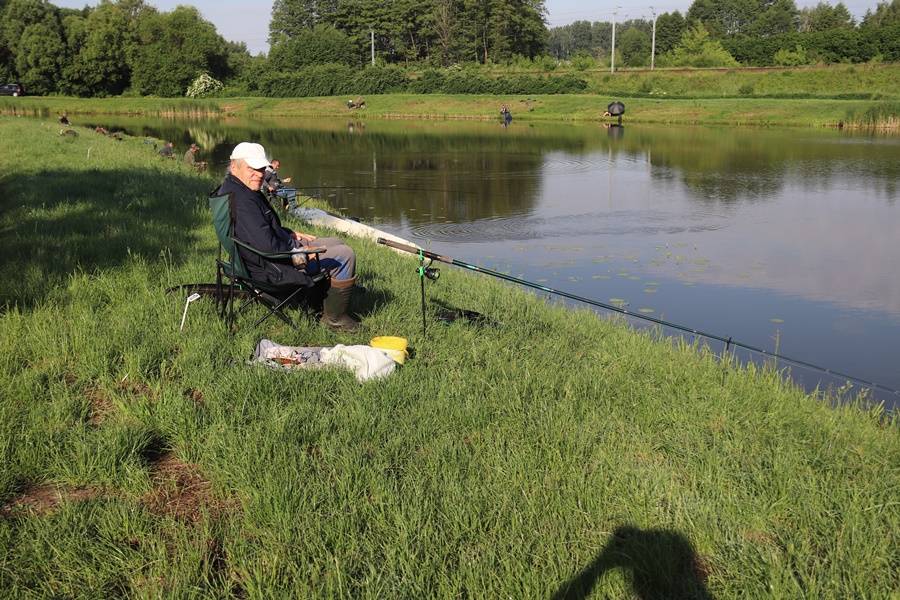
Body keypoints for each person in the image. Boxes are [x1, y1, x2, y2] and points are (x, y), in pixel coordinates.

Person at [216, 142, 361, 331]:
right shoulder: (243, 201)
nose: (259, 174)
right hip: (272, 268)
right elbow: (266, 246)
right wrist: (299, 252)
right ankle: (335, 318)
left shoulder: (237, 189)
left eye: (261, 169)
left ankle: (328, 295)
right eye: (252, 169)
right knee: (345, 255)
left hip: (262, 259)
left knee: (336, 242)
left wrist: (288, 233)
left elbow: (261, 230)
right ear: (234, 166)